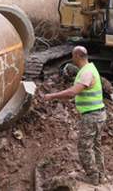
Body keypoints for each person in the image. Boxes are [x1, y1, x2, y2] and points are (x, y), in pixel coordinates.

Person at [41, 46, 106, 185]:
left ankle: (93, 176)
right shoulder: (90, 69)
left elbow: (72, 92)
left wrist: (51, 96)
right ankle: (100, 175)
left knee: (84, 147)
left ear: (77, 56)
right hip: (98, 114)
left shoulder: (86, 73)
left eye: (72, 56)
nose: (72, 58)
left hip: (91, 116)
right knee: (95, 146)